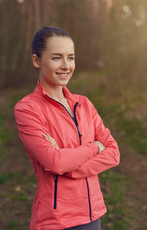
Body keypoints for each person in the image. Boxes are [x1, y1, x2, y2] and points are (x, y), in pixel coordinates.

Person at [14, 26, 120, 230]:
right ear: (36, 60)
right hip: (56, 221)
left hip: (93, 216)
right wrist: (95, 147)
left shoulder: (85, 104)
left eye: (70, 58)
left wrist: (69, 166)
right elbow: (54, 162)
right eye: (56, 58)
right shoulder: (28, 109)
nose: (66, 65)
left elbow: (114, 153)